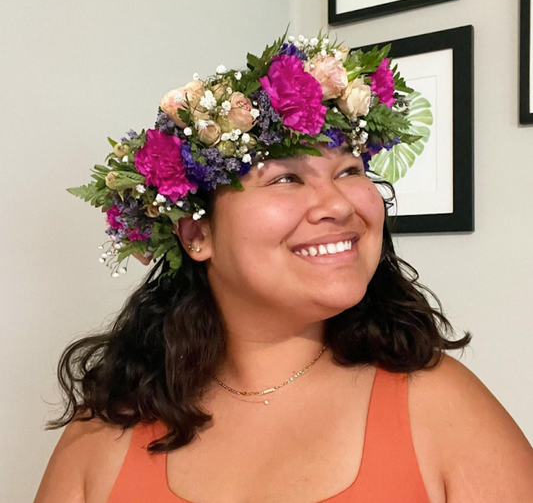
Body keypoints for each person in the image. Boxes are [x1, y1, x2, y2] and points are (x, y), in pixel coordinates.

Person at [34, 32, 533, 503]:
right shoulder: (101, 434)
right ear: (196, 234)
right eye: (286, 178)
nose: (338, 205)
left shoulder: (444, 411)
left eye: (349, 171)